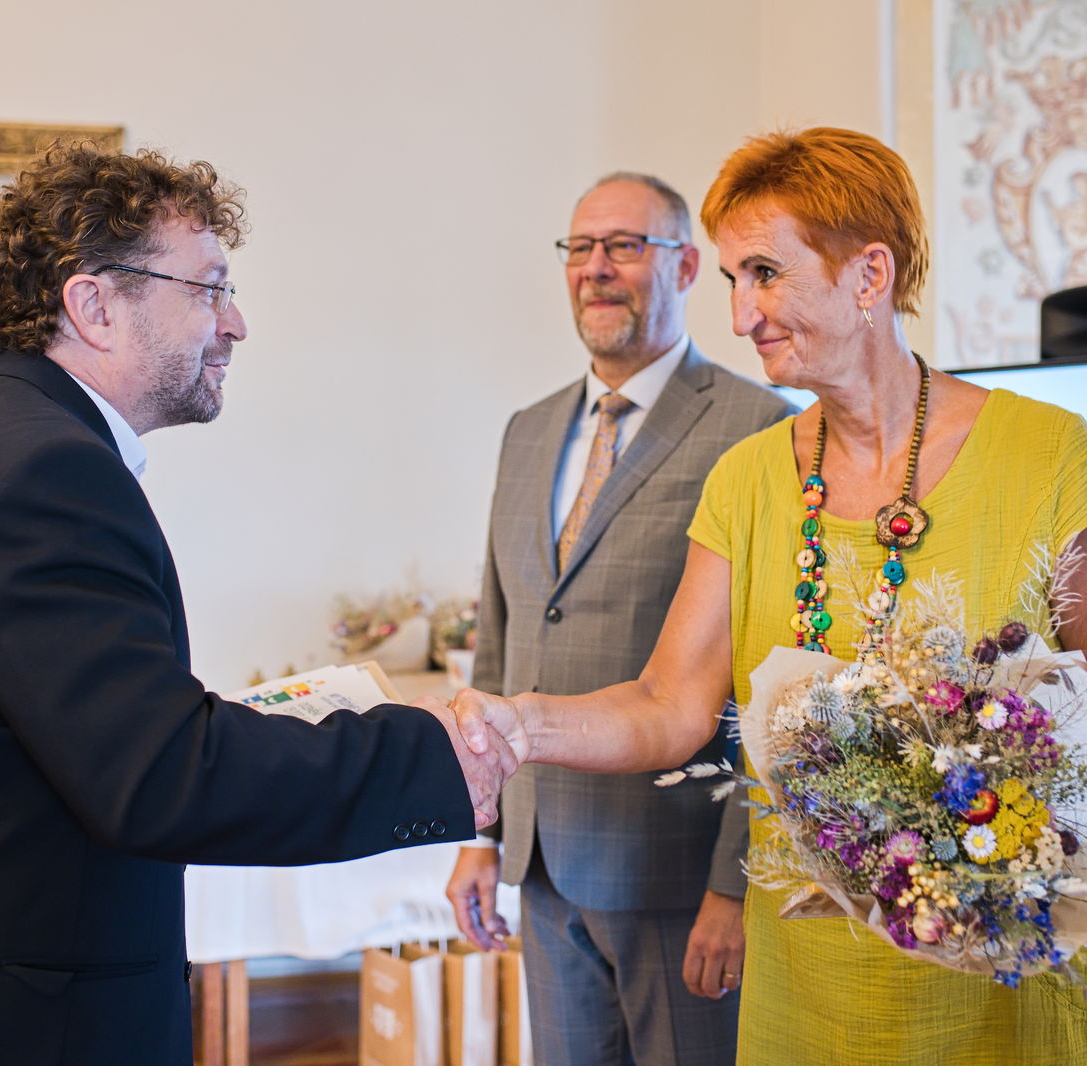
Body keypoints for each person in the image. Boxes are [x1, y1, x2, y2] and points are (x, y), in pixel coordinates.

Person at [0, 142, 516, 1066]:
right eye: (209, 290)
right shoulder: (46, 472)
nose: (236, 324)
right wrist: (427, 755)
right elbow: (161, 778)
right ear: (95, 306)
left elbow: (101, 736)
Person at [452, 128, 1087, 1065]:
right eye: (732, 279)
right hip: (814, 987)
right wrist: (517, 725)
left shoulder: (1047, 457)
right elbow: (668, 705)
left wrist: (992, 835)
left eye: (765, 273)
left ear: (870, 274)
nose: (741, 314)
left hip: (1019, 979)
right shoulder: (748, 479)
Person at [444, 173, 793, 1066]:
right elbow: (502, 641)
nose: (596, 268)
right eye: (581, 248)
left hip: (677, 875)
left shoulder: (762, 429)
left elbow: (780, 682)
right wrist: (481, 835)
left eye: (625, 247)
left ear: (685, 268)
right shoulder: (527, 431)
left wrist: (736, 884)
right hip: (543, 866)